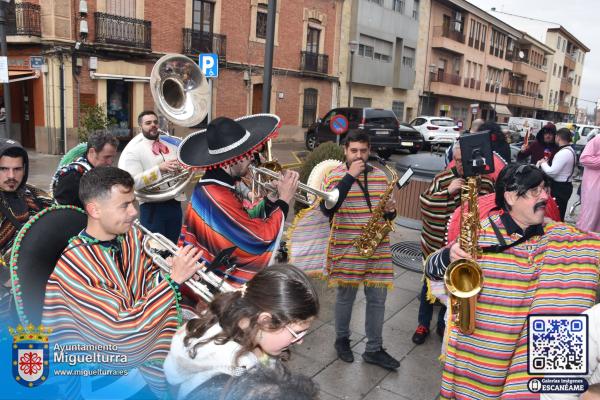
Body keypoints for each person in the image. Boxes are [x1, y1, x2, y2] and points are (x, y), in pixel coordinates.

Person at [425, 163, 600, 399]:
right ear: (510, 196)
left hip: (532, 367)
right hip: (482, 357)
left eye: (544, 189)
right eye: (535, 191)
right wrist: (449, 255)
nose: (545, 197)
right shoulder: (479, 234)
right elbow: (430, 269)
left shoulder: (561, 237)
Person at [43, 166, 204, 395]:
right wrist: (173, 281)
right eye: (124, 205)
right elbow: (120, 338)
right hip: (104, 379)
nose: (134, 212)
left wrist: (168, 270)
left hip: (141, 365)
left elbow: (145, 283)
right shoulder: (75, 266)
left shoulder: (130, 237)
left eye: (134, 203)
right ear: (94, 210)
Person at [163, 264, 319, 400]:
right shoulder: (238, 372)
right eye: (296, 333)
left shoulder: (227, 320)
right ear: (265, 321)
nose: (300, 341)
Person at [178, 115, 298, 286]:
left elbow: (242, 219)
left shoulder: (214, 185)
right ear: (233, 159)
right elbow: (257, 238)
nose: (252, 157)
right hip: (211, 284)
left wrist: (273, 198)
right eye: (247, 152)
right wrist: (285, 200)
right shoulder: (217, 195)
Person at [319, 131, 399, 370]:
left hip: (378, 249)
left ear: (369, 150)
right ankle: (342, 340)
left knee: (378, 300)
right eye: (354, 150)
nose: (359, 155)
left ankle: (374, 349)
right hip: (347, 248)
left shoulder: (379, 177)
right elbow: (327, 209)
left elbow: (389, 216)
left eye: (363, 151)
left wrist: (391, 211)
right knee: (346, 299)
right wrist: (350, 177)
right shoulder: (334, 176)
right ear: (345, 150)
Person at [412, 142, 495, 345]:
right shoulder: (442, 178)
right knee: (428, 286)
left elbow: (491, 214)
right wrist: (447, 193)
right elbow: (425, 204)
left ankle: (443, 324)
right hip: (436, 246)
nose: (458, 164)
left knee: (453, 290)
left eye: (462, 160)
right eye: (456, 160)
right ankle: (423, 323)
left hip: (466, 249)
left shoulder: (486, 183)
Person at [0, 138, 53, 323]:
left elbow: (57, 225)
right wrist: (6, 277)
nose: (11, 176)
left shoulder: (37, 196)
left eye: (17, 169)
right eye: (3, 169)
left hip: (40, 287)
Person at [118, 110, 185, 243]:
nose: (153, 125)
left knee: (173, 245)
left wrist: (179, 170)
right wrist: (158, 169)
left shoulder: (171, 147)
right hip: (152, 208)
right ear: (140, 127)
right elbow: (132, 182)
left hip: (174, 204)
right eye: (148, 123)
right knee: (156, 249)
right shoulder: (134, 151)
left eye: (155, 122)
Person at [52, 130, 118, 208]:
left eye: (112, 157)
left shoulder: (100, 170)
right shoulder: (72, 176)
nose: (110, 162)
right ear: (92, 151)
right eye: (106, 157)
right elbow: (64, 212)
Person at [538, 127, 577, 221]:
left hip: (560, 187)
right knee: (558, 213)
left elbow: (552, 172)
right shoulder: (569, 150)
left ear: (558, 137)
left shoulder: (564, 152)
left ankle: (557, 231)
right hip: (563, 186)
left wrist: (542, 163)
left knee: (556, 214)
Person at [577, 136, 600, 233]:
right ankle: (582, 244)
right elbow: (584, 158)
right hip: (594, 187)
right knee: (589, 220)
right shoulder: (598, 139)